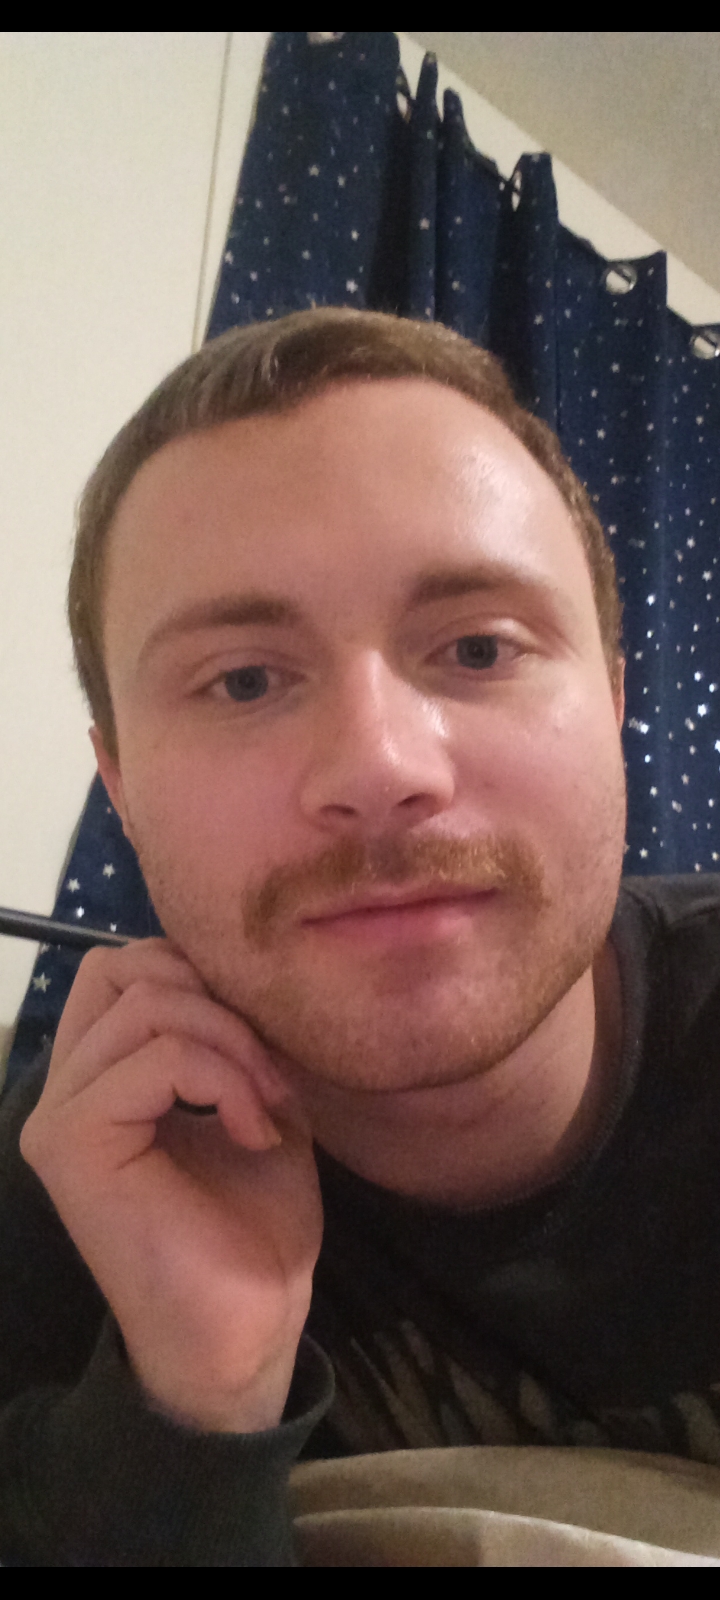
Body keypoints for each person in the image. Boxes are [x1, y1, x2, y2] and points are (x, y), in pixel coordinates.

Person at [2, 306, 720, 1566]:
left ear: (612, 701)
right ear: (119, 782)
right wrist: (194, 1402)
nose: (379, 766)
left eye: (480, 647)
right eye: (244, 680)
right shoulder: (68, 1196)